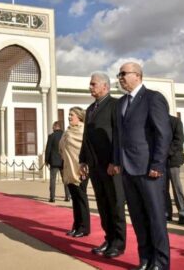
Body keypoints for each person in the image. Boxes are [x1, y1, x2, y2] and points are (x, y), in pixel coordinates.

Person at [111, 62, 172, 270]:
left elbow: (163, 134)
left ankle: (161, 263)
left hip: (149, 170)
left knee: (156, 218)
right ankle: (145, 259)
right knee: (137, 218)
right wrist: (117, 162)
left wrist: (157, 163)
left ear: (137, 75)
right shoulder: (120, 103)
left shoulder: (153, 98)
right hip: (128, 170)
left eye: (123, 74)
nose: (120, 77)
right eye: (119, 74)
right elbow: (119, 137)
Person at [79, 72, 126, 259]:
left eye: (93, 84)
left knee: (115, 204)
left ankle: (119, 243)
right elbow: (86, 138)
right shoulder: (90, 109)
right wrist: (83, 159)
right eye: (90, 84)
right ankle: (109, 238)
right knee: (103, 204)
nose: (90, 87)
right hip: (95, 166)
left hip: (111, 166)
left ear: (105, 86)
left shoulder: (116, 105)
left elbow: (120, 136)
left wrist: (116, 161)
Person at [59, 107, 90, 237]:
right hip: (69, 168)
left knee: (81, 198)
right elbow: (61, 147)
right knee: (75, 199)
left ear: (79, 116)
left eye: (72, 115)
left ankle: (84, 228)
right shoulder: (67, 131)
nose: (69, 117)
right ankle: (76, 225)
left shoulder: (83, 131)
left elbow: (87, 149)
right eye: (69, 114)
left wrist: (85, 165)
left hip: (80, 169)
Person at [165, 115, 184, 225]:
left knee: (176, 188)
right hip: (158, 162)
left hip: (172, 160)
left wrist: (166, 153)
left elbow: (179, 141)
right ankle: (166, 214)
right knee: (162, 190)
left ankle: (182, 213)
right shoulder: (153, 120)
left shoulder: (175, 121)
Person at [45, 121, 70, 203]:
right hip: (64, 161)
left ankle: (52, 197)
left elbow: (48, 149)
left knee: (53, 180)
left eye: (53, 126)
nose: (52, 128)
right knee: (65, 179)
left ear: (56, 126)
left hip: (54, 161)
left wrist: (46, 160)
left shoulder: (51, 136)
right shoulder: (65, 135)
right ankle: (68, 196)